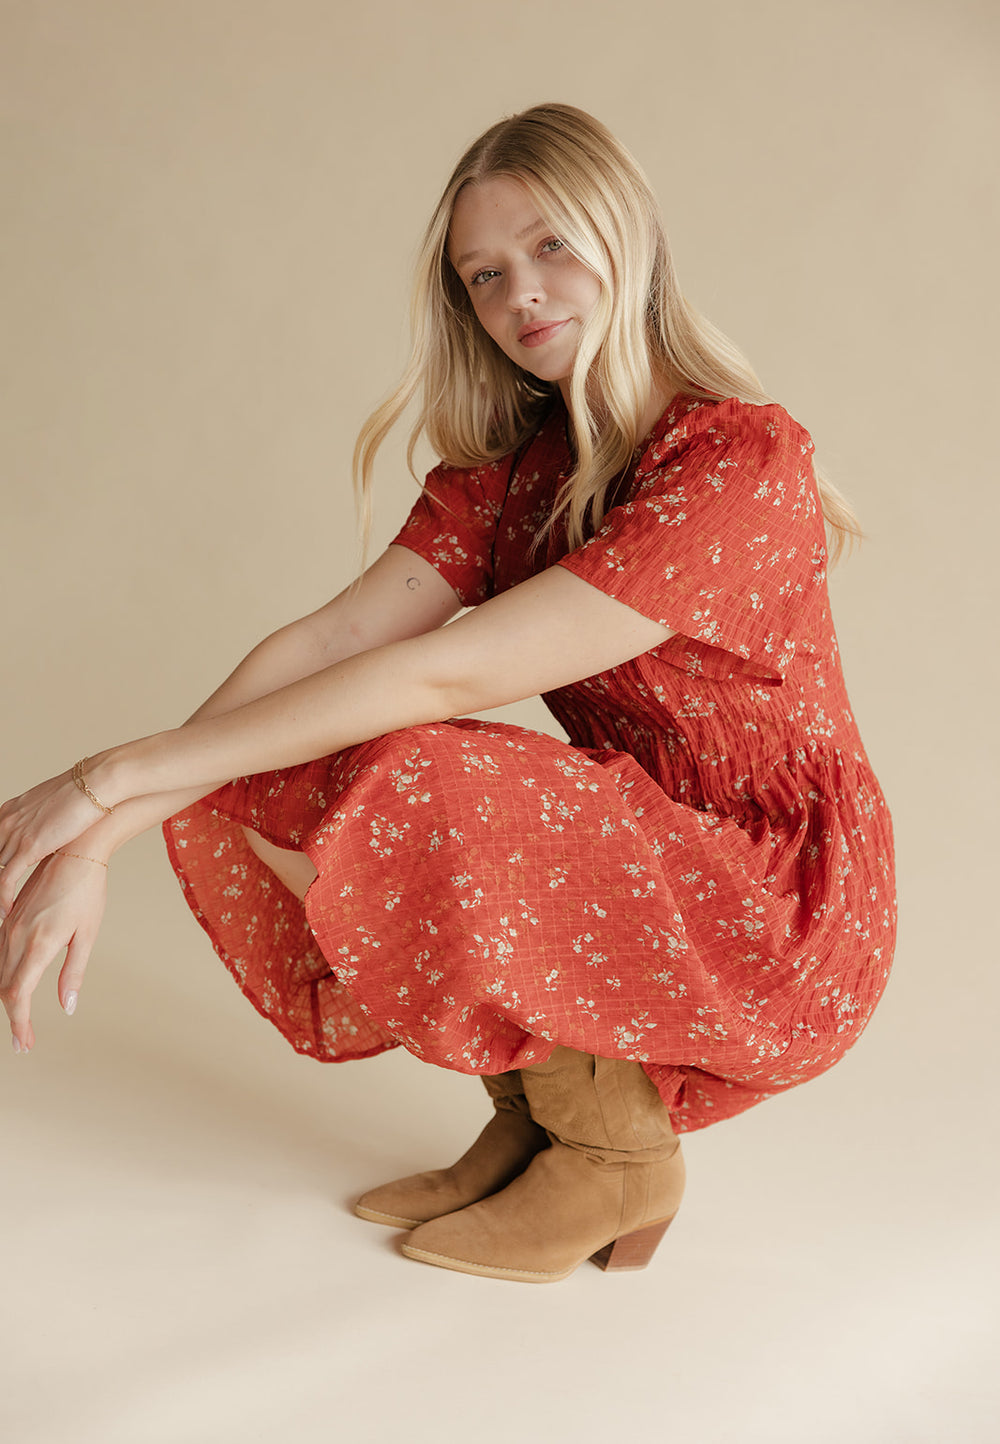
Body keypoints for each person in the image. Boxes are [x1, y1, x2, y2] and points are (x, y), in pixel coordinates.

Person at [0, 104, 896, 1284]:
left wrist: (101, 778)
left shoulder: (738, 460)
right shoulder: (519, 469)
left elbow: (447, 669)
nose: (520, 294)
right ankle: (547, 1119)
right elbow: (327, 642)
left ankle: (615, 1153)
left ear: (625, 237)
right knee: (269, 762)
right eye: (484, 275)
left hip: (778, 897)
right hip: (645, 851)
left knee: (406, 766)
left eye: (549, 247)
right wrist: (94, 838)